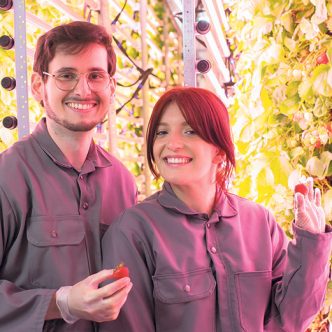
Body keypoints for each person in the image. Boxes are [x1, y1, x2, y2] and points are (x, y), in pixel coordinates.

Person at [100, 87, 332, 332]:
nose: (172, 143)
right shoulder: (133, 230)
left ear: (219, 151)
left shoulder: (259, 222)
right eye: (162, 132)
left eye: (190, 131)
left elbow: (291, 319)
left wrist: (312, 242)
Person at [0, 21, 137, 331]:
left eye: (95, 76)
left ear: (111, 87)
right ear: (38, 86)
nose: (83, 89)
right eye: (66, 75)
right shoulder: (7, 178)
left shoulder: (122, 181)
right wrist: (61, 302)